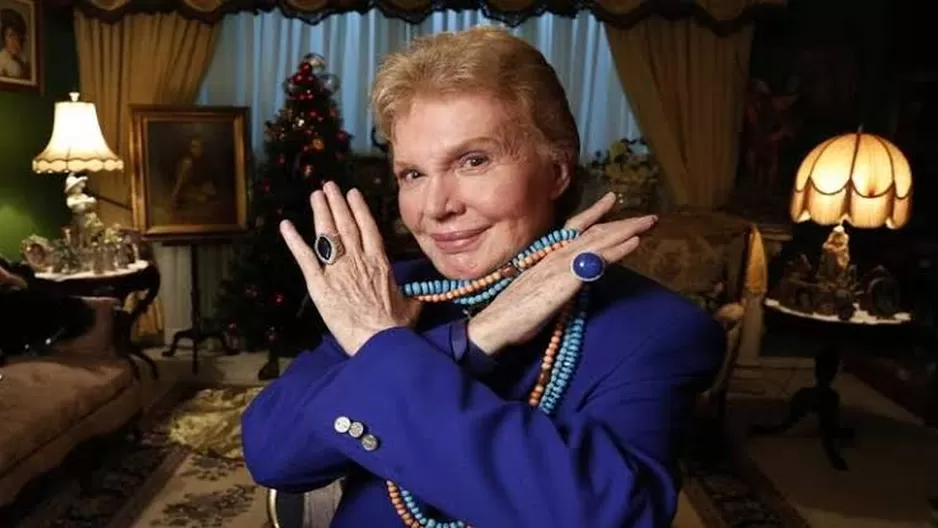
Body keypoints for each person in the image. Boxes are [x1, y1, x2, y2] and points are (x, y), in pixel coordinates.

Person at [241, 27, 723, 527]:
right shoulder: (390, 291)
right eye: (413, 174)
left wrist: (385, 349)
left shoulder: (656, 329)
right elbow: (273, 454)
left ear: (558, 170)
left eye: (473, 161)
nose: (436, 207)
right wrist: (472, 339)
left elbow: (603, 516)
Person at [0, 8, 29, 79]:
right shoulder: (2, 61)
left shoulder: (24, 60)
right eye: (10, 35)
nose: (15, 40)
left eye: (17, 36)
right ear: (4, 38)